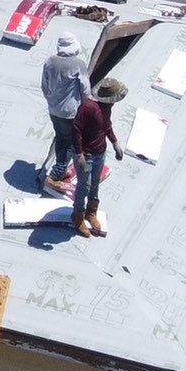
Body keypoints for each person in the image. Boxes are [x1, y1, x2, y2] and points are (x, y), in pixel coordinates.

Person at [71, 77, 127, 237]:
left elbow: (106, 125)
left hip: (99, 153)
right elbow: (76, 129)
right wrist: (79, 153)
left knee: (94, 184)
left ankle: (91, 212)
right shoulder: (88, 107)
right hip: (86, 155)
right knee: (84, 186)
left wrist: (115, 142)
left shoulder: (107, 107)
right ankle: (78, 215)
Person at [38, 33, 88, 190]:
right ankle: (55, 175)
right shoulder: (78, 64)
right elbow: (85, 89)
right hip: (70, 112)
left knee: (60, 138)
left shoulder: (49, 62)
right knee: (71, 143)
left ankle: (62, 168)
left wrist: (52, 101)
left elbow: (44, 86)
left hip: (54, 110)